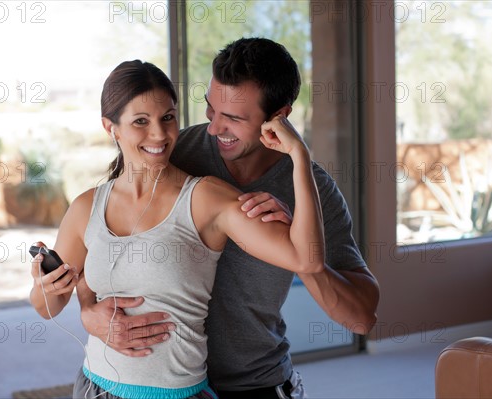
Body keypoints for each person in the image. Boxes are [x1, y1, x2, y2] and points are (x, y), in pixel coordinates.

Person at [75, 37, 380, 398]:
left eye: (233, 118)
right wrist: (88, 311)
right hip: (168, 385)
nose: (215, 128)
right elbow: (100, 241)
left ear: (278, 117)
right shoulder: (177, 151)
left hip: (254, 384)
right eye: (211, 109)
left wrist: (296, 245)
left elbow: (360, 317)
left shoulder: (312, 191)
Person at [30, 57, 330, 399]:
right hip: (95, 388)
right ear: (110, 127)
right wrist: (47, 284)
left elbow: (308, 260)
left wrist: (299, 157)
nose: (158, 134)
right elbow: (45, 308)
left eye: (167, 118)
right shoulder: (86, 207)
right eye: (140, 121)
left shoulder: (206, 199)